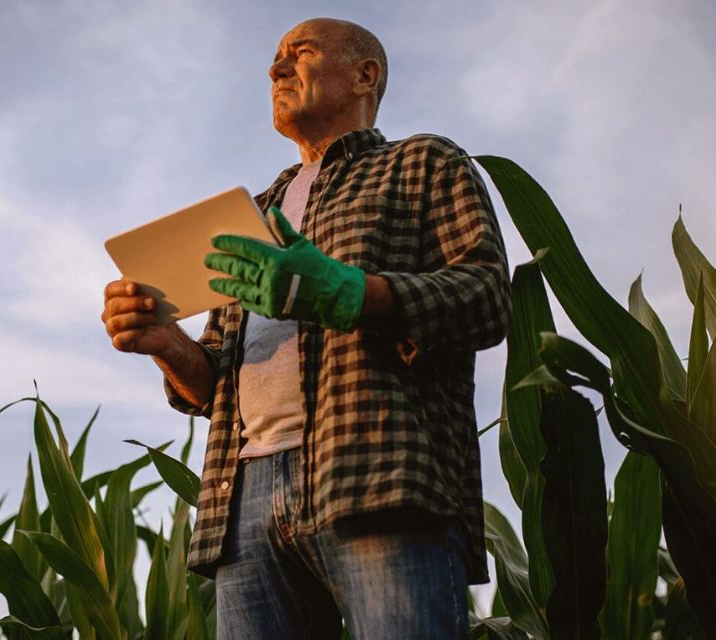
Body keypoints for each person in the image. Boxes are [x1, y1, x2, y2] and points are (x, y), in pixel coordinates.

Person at [101, 17, 510, 639]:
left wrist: (349, 294)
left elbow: (486, 297)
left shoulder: (423, 162)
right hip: (241, 499)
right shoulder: (254, 213)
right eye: (274, 58)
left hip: (379, 470)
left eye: (301, 52)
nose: (275, 69)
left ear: (363, 75)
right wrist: (166, 344)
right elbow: (212, 385)